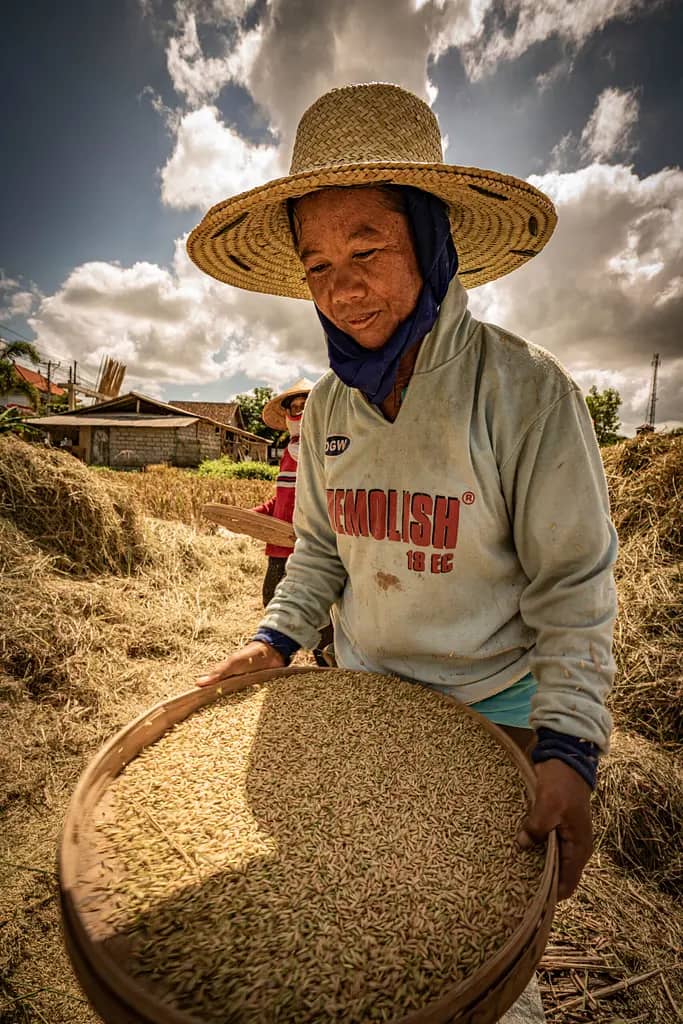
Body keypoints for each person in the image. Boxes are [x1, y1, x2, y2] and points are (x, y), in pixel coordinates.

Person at [188, 84, 617, 923]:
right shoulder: (329, 409)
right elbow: (317, 551)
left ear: (429, 241)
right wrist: (272, 641)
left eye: (367, 249)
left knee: (475, 938)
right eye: (318, 266)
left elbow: (573, 584)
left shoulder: (523, 394)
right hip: (367, 699)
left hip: (495, 715)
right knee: (359, 916)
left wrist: (567, 749)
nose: (341, 290)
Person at [250, 379, 333, 666]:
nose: (298, 412)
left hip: (313, 553)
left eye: (305, 406)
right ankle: (281, 670)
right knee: (274, 606)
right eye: (294, 407)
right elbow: (281, 500)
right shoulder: (288, 453)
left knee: (323, 624)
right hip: (278, 550)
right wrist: (255, 515)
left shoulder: (328, 450)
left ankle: (330, 674)